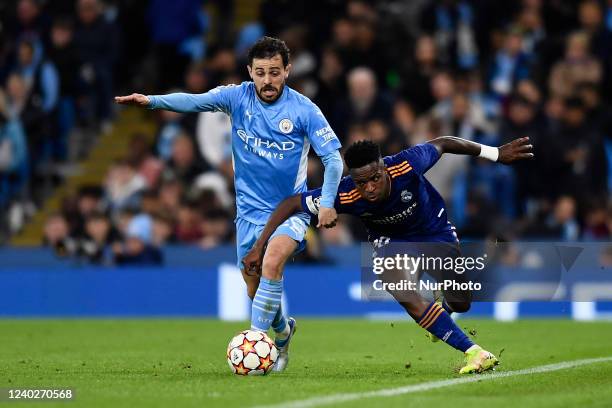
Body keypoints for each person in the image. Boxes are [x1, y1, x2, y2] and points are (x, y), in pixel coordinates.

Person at [115, 36, 343, 372]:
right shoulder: (237, 97)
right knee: (254, 286)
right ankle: (282, 331)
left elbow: (334, 160)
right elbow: (192, 102)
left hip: (291, 209)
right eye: (261, 72)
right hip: (248, 215)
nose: (268, 80)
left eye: (275, 72)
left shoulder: (304, 110)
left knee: (273, 262)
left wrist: (325, 202)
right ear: (250, 71)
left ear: (287, 71)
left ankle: (256, 342)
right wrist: (150, 101)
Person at [243, 136, 533, 374]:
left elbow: (444, 143)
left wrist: (495, 153)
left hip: (435, 232)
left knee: (462, 301)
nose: (369, 188)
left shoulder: (407, 164)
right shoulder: (345, 194)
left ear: (384, 167)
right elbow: (291, 203)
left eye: (374, 178)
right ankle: (475, 352)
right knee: (402, 289)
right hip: (391, 242)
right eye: (361, 182)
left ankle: (442, 313)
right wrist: (259, 246)